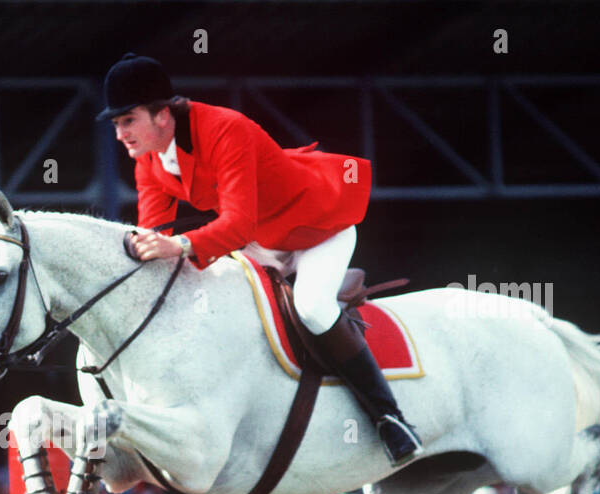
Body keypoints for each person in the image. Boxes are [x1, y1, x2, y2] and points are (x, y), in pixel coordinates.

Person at [99, 53, 422, 466]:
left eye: (128, 120)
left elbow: (235, 225)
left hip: (316, 228)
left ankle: (390, 418)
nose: (120, 133)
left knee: (312, 307)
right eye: (115, 124)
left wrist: (179, 247)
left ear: (162, 115)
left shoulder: (224, 129)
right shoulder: (149, 158)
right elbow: (155, 230)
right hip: (260, 242)